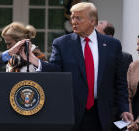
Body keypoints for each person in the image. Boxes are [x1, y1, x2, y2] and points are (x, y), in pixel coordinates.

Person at [21, 2, 133, 131]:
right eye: (72, 17)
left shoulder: (112, 45)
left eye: (78, 18)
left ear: (92, 21)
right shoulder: (62, 44)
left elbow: (120, 81)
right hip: (73, 113)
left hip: (104, 114)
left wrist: (124, 108)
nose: (73, 22)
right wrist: (34, 60)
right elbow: (56, 72)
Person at [96, 20, 133, 130]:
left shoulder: (125, 58)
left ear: (109, 37)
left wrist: (123, 110)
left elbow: (123, 86)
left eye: (97, 34)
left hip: (113, 114)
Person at [127, 35, 139, 131]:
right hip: (132, 119)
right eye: (137, 45)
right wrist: (131, 121)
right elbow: (127, 95)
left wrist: (137, 123)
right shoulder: (134, 66)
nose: (137, 49)